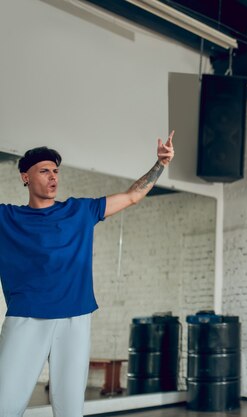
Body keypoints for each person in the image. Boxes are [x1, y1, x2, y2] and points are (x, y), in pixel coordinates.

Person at [0, 132, 175, 417]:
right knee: (4, 404)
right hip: (26, 317)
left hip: (75, 318)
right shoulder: (6, 217)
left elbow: (132, 196)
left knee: (70, 408)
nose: (53, 177)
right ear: (25, 177)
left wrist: (160, 164)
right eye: (44, 171)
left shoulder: (79, 211)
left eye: (55, 171)